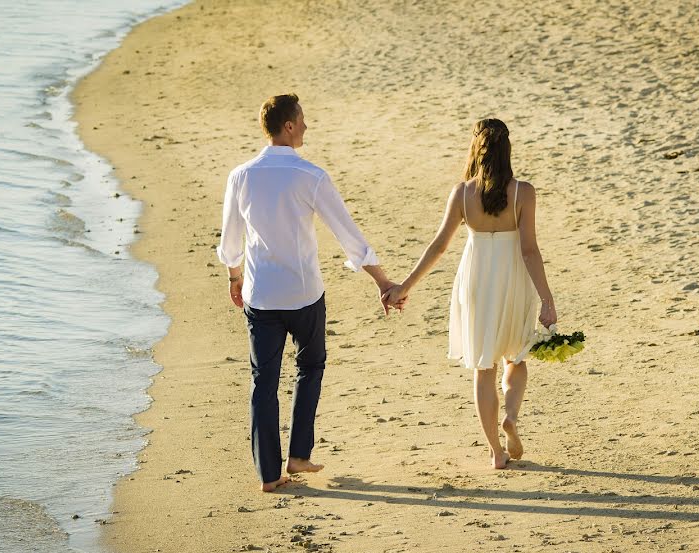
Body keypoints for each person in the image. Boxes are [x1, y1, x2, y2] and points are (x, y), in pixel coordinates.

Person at [217, 93, 399, 492]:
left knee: (263, 382)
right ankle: (298, 455)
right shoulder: (310, 176)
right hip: (304, 294)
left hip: (261, 295)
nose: (306, 126)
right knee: (310, 368)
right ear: (288, 126)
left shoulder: (241, 176)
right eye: (302, 119)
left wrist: (235, 277)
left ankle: (269, 475)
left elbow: (231, 240)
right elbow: (348, 235)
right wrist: (383, 282)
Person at [384, 118, 557, 469]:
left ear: (475, 149)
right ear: (507, 149)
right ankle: (510, 415)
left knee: (484, 368)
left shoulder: (462, 193)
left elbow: (439, 246)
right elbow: (529, 251)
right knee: (517, 357)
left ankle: (495, 452)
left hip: (476, 280)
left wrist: (405, 286)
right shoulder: (524, 192)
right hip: (513, 278)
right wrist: (547, 299)